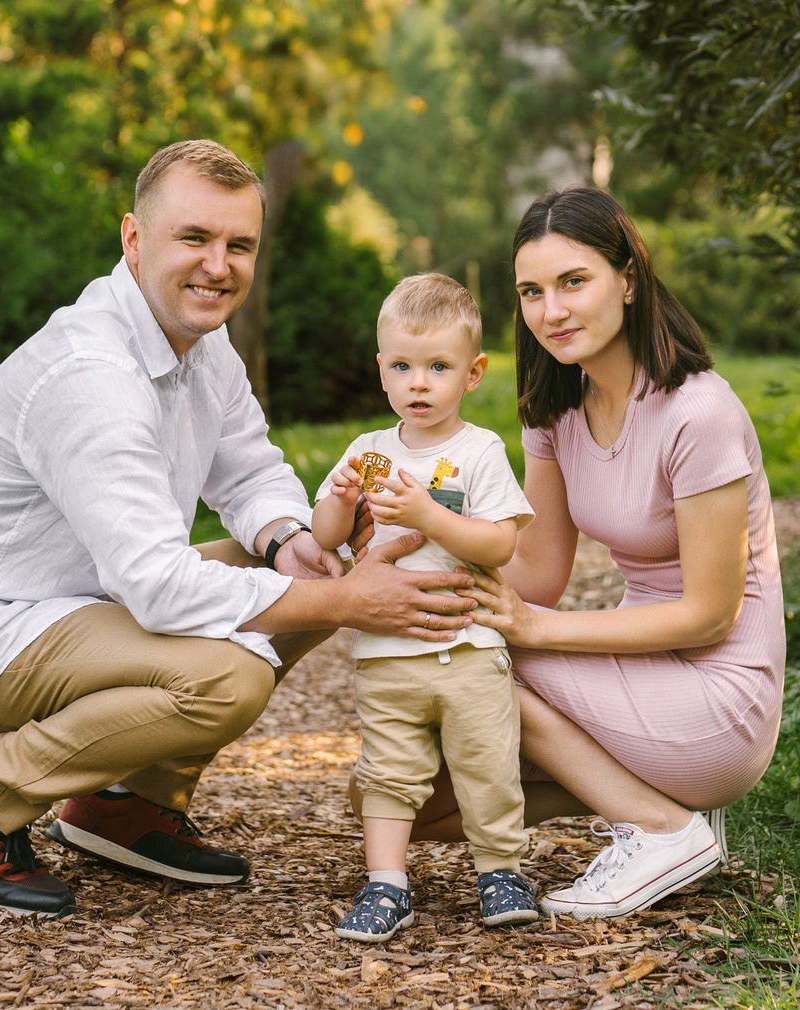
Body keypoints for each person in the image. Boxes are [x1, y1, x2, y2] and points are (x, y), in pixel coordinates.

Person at [0, 140, 482, 917]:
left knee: (319, 565)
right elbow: (159, 588)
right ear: (134, 239)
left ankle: (122, 806)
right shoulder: (91, 376)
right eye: (194, 239)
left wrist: (290, 541)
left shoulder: (201, 341)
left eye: (239, 245)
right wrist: (348, 604)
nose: (219, 265)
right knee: (224, 678)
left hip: (80, 598)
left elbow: (248, 469)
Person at [442, 186, 788, 919]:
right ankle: (658, 795)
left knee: (482, 658)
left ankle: (663, 828)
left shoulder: (700, 413)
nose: (552, 311)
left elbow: (707, 615)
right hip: (644, 670)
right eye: (531, 292)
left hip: (720, 700)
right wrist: (428, 544)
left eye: (574, 282)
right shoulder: (555, 409)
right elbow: (537, 573)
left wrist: (530, 629)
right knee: (415, 797)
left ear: (628, 279)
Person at [308, 275, 539, 942]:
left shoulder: (479, 451)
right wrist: (338, 499)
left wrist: (430, 517)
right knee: (387, 770)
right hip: (387, 653)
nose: (419, 382)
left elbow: (498, 541)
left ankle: (500, 869)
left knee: (488, 763)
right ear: (382, 370)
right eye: (403, 366)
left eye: (438, 367)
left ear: (473, 373)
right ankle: (387, 882)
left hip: (468, 648)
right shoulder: (368, 452)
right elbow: (326, 539)